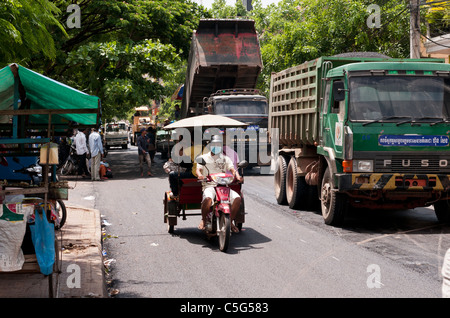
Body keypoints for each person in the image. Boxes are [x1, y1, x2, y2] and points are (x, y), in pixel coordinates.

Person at [196, 135, 243, 233]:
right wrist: (200, 175)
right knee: (208, 199)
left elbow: (233, 169)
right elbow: (198, 169)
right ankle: (203, 220)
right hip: (209, 186)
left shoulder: (225, 158)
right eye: (214, 144)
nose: (216, 146)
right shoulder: (203, 158)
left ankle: (230, 221)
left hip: (223, 186)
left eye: (219, 145)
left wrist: (238, 177)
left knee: (238, 198)